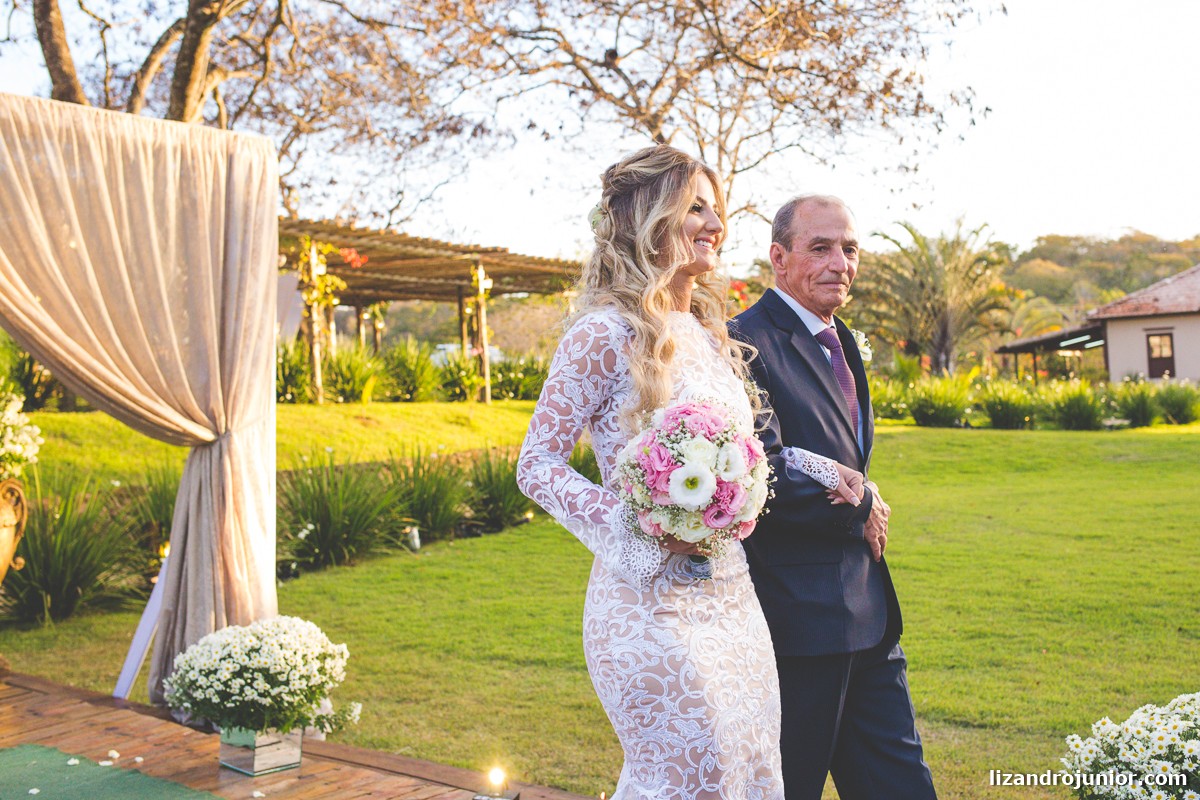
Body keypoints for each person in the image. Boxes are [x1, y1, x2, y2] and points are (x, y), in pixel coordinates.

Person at [516, 148, 859, 799]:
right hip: (649, 607)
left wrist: (817, 466)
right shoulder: (602, 333)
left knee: (754, 768)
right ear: (648, 218)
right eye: (695, 207)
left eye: (715, 208)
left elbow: (745, 447)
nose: (714, 224)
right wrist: (641, 528)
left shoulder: (707, 332)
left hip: (733, 596)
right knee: (690, 778)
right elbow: (535, 465)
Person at [730, 194, 938, 800]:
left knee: (903, 787)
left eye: (850, 249)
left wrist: (864, 493)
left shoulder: (842, 338)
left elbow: (841, 457)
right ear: (779, 258)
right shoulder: (742, 342)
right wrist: (863, 507)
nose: (840, 262)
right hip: (797, 624)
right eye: (820, 247)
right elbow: (752, 476)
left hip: (871, 618)